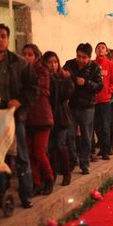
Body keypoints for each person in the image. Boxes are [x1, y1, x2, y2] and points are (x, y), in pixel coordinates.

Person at [0, 23, 38, 209]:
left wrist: (19, 100)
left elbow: (33, 89)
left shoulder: (20, 63)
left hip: (13, 116)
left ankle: (26, 194)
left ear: (8, 39)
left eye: (3, 36)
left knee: (20, 154)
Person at [63, 43, 103, 175]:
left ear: (89, 57)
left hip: (87, 107)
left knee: (86, 137)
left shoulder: (95, 68)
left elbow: (99, 86)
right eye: (78, 56)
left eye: (84, 57)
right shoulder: (69, 64)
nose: (80, 60)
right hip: (71, 105)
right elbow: (62, 78)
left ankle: (84, 163)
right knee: (69, 135)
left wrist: (86, 83)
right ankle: (72, 160)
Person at [22, 44, 55, 196]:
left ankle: (49, 178)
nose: (27, 57)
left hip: (42, 116)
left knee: (39, 152)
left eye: (30, 54)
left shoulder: (42, 71)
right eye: (25, 54)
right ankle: (36, 182)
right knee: (30, 153)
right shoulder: (21, 70)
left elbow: (36, 87)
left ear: (36, 56)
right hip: (27, 117)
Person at [44, 51, 74, 186]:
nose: (53, 65)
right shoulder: (43, 78)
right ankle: (52, 173)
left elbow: (67, 94)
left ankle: (66, 173)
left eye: (55, 62)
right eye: (50, 62)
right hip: (47, 116)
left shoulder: (62, 77)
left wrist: (67, 80)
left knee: (60, 145)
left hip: (61, 117)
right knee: (49, 147)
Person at [93, 42, 113, 160]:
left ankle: (105, 150)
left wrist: (109, 90)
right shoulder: (91, 64)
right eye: (98, 48)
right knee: (96, 126)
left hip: (105, 99)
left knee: (105, 125)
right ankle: (102, 146)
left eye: (102, 48)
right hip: (92, 100)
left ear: (106, 51)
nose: (100, 49)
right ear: (95, 51)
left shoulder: (111, 65)